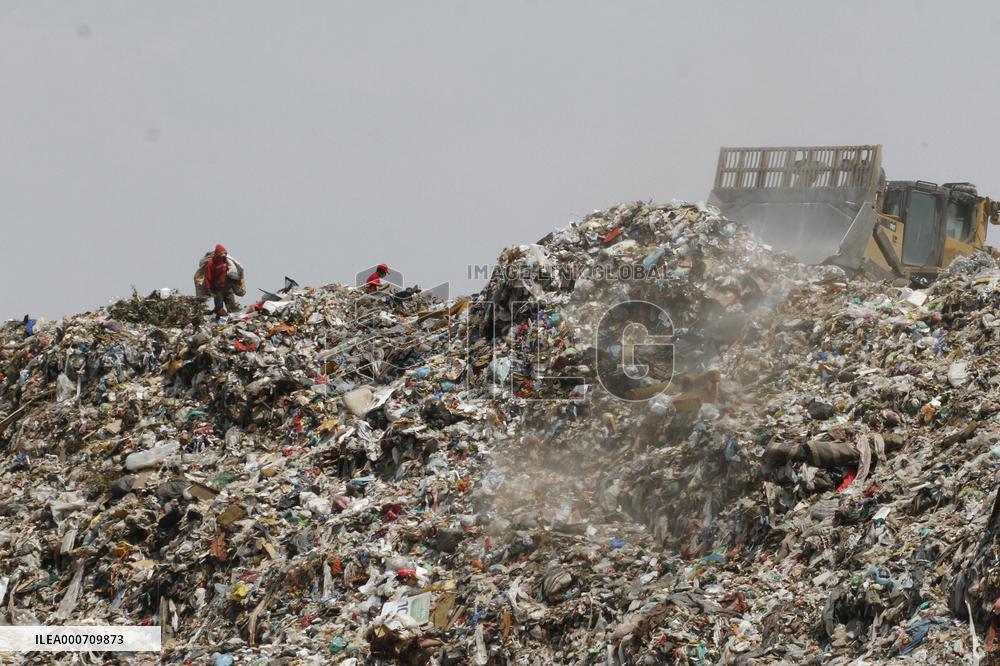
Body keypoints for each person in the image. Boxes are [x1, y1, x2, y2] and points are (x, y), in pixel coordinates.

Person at [204, 244, 238, 316]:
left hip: (228, 286)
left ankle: (234, 319)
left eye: (224, 254)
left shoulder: (226, 261)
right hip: (217, 289)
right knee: (219, 308)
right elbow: (207, 277)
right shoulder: (211, 264)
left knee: (232, 306)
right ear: (217, 254)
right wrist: (208, 289)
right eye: (221, 254)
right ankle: (219, 321)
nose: (222, 256)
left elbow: (232, 271)